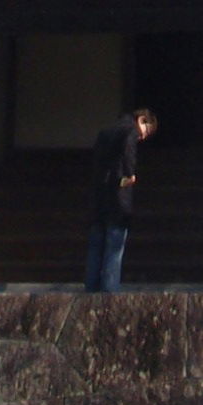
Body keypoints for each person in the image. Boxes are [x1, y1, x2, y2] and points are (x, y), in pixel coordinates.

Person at [84, 108, 157, 291]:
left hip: (98, 195)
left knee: (95, 248)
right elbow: (128, 147)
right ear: (141, 120)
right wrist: (130, 173)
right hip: (117, 199)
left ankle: (91, 288)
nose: (142, 138)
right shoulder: (129, 130)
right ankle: (109, 292)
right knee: (114, 250)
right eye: (145, 133)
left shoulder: (106, 131)